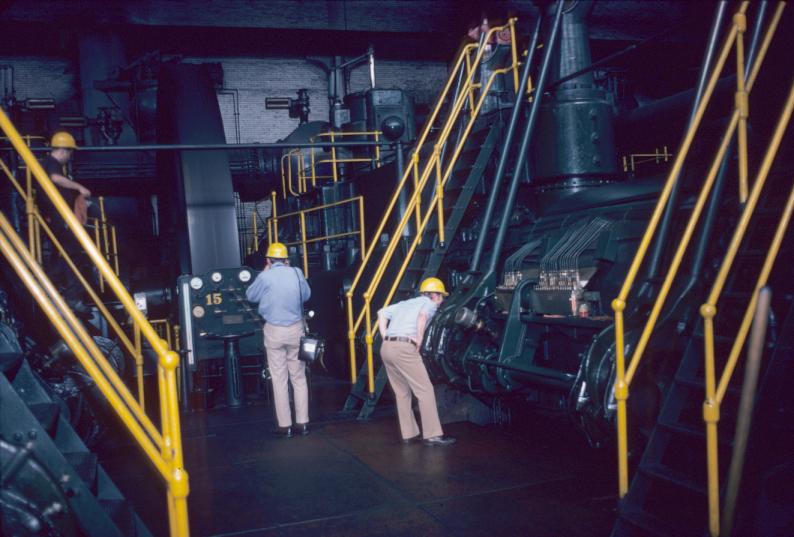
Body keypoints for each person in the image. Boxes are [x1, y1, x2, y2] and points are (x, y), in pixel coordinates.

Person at [378, 277, 455, 446]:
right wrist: (419, 339)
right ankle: (433, 435)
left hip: (386, 348)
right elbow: (422, 317)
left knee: (402, 392)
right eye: (441, 297)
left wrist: (385, 336)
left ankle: (409, 434)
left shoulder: (405, 303)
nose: (441, 302)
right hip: (404, 348)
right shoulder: (429, 304)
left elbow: (381, 312)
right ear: (434, 295)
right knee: (425, 390)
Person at [246, 242, 311, 438]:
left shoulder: (265, 276)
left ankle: (285, 426)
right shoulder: (297, 273)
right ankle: (303, 423)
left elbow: (250, 296)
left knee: (279, 379)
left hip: (274, 331)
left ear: (268, 260)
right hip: (295, 330)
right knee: (298, 378)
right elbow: (307, 296)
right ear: (286, 260)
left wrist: (264, 274)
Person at [41, 131, 92, 309]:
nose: (70, 157)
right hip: (59, 216)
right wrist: (80, 187)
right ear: (64, 151)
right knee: (73, 253)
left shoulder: (50, 164)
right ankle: (71, 297)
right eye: (70, 153)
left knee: (60, 254)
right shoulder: (51, 164)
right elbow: (55, 179)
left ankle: (52, 287)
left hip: (56, 217)